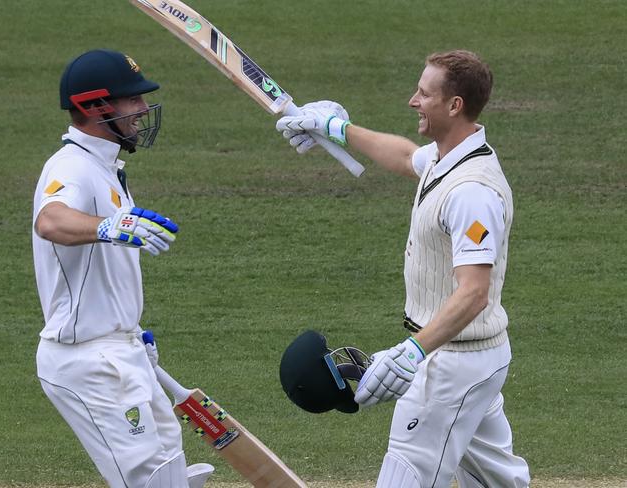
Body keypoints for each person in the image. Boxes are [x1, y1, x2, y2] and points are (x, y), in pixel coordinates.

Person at [276, 50, 530, 487]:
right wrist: (336, 128)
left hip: (452, 362)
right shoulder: (446, 156)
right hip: (475, 354)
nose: (413, 100)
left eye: (424, 93)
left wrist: (412, 353)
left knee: (406, 476)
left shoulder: (472, 192)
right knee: (497, 481)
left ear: (454, 106)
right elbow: (403, 155)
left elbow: (473, 293)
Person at [32, 49, 213, 488]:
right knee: (151, 482)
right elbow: (50, 220)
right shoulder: (71, 166)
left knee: (173, 476)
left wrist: (127, 330)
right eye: (132, 100)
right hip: (88, 359)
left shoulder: (106, 167)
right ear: (95, 107)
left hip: (123, 351)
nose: (142, 109)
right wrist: (109, 226)